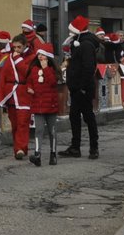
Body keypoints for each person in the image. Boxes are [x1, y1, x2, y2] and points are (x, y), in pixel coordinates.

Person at [61, 16, 100, 159]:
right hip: (77, 87)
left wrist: (82, 87)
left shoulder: (86, 44)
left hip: (82, 88)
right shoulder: (80, 43)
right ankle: (75, 147)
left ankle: (93, 148)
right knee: (74, 117)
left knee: (88, 116)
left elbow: (88, 68)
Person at [0, 31, 35, 160]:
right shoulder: (7, 57)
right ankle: (18, 148)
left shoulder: (31, 58)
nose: (16, 50)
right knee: (15, 124)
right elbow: (2, 73)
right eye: (14, 47)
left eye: (19, 47)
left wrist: (17, 59)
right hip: (11, 94)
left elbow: (27, 72)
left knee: (23, 123)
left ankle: (21, 149)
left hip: (24, 94)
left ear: (25, 46)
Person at [25, 42, 62, 165]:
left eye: (43, 55)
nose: (40, 57)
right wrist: (29, 88)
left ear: (48, 57)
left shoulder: (52, 70)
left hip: (50, 105)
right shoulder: (34, 69)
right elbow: (29, 81)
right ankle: (37, 154)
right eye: (39, 54)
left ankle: (53, 153)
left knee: (52, 131)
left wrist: (45, 68)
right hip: (38, 104)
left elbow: (52, 82)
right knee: (38, 130)